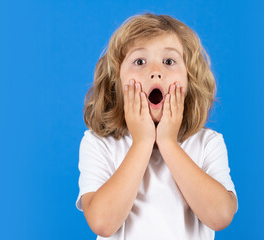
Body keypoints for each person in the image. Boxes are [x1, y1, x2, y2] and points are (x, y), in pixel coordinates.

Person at [75, 12, 238, 240]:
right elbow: (102, 222)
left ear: (190, 81)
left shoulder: (207, 143)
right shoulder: (98, 143)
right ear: (116, 81)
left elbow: (220, 216)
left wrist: (168, 142)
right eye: (139, 61)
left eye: (169, 61)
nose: (155, 71)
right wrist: (142, 142)